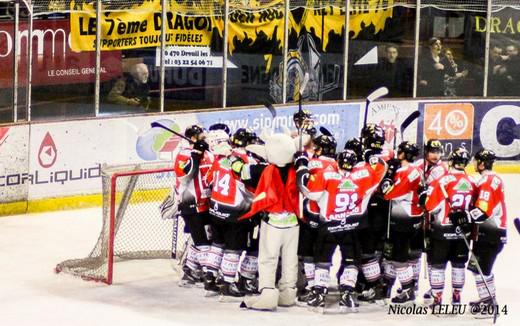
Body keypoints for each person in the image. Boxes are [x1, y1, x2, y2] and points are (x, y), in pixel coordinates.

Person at [296, 149, 387, 312]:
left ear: (337, 161)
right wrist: (369, 156)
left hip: (329, 226)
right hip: (352, 227)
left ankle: (319, 293)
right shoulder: (364, 174)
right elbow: (381, 168)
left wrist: (302, 167)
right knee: (351, 261)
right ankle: (348, 292)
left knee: (323, 260)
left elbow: (308, 191)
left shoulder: (326, 175)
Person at [238, 133, 300, 311]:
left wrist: (232, 157)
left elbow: (241, 171)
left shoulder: (262, 170)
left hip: (272, 222)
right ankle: (288, 292)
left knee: (268, 259)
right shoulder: (298, 169)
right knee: (290, 260)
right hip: (293, 223)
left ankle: (267, 294)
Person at [424, 147, 477, 308]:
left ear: (452, 161)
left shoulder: (441, 181)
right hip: (463, 231)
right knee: (459, 264)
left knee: (438, 265)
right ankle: (456, 297)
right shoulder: (473, 182)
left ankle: (438, 299)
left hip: (442, 231)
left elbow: (430, 207)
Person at [295, 134, 339, 305]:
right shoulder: (337, 165)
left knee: (308, 254)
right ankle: (320, 288)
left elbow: (304, 181)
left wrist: (300, 161)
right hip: (331, 217)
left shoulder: (316, 163)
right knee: (323, 256)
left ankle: (313, 287)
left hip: (311, 213)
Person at [174, 125, 216, 292]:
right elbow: (187, 175)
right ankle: (209, 276)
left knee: (204, 239)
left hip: (207, 203)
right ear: (193, 138)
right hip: (190, 204)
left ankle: (190, 271)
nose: (204, 139)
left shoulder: (208, 152)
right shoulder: (183, 154)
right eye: (201, 136)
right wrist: (196, 154)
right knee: (202, 241)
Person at [380, 141, 422, 304]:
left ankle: (408, 289)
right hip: (414, 217)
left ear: (403, 154)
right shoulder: (416, 169)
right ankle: (406, 286)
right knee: (403, 255)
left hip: (403, 219)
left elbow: (388, 194)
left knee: (398, 257)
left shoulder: (405, 172)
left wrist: (388, 176)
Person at [467, 149, 507, 308]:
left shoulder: (487, 182)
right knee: (479, 268)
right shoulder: (493, 179)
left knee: (482, 269)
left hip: (490, 233)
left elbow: (483, 212)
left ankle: (490, 303)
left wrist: (464, 217)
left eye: (476, 161)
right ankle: (487, 300)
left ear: (482, 163)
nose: (474, 163)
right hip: (492, 232)